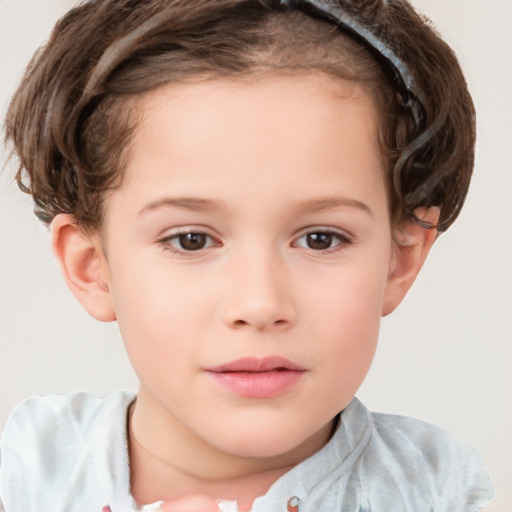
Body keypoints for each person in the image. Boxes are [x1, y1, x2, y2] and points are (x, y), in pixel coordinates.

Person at [0, 0, 495, 510]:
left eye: (320, 238)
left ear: (401, 258)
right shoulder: (27, 471)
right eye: (190, 239)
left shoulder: (436, 488)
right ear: (92, 268)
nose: (259, 305)